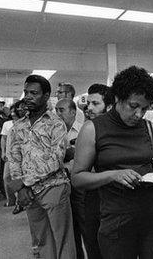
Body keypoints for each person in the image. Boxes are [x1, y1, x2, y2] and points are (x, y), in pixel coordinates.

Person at [71, 66, 153, 259]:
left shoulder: (149, 128)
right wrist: (113, 175)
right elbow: (77, 178)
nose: (139, 114)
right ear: (117, 97)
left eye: (144, 108)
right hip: (117, 222)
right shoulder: (93, 129)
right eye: (133, 106)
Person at [7, 74, 76, 258]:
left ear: (46, 96)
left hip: (53, 188)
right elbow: (13, 158)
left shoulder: (56, 124)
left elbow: (56, 159)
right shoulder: (17, 127)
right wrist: (20, 188)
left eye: (34, 93)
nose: (28, 96)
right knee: (41, 239)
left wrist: (24, 183)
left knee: (63, 239)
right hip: (29, 194)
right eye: (26, 92)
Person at [83, 83, 115, 259]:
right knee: (93, 243)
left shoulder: (117, 132)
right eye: (89, 104)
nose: (89, 108)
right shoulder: (88, 129)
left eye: (95, 104)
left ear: (109, 106)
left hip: (116, 197)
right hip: (94, 195)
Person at [55, 98, 85, 259]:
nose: (58, 114)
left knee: (85, 225)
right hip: (59, 187)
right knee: (68, 230)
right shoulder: (52, 132)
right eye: (56, 110)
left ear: (73, 112)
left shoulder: (84, 131)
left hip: (79, 186)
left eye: (61, 110)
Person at [1, 101, 26, 214]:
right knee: (7, 177)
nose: (13, 113)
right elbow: (4, 139)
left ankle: (20, 202)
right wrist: (4, 152)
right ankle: (15, 200)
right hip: (11, 156)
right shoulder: (10, 126)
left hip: (25, 157)